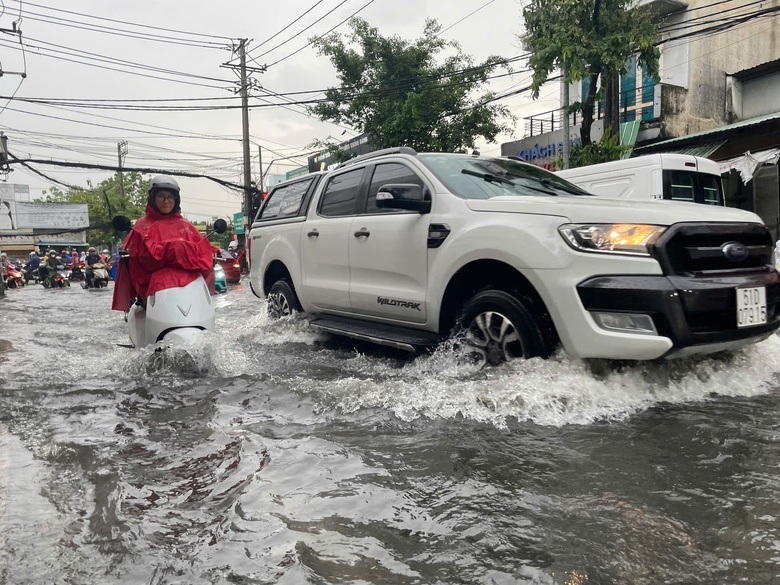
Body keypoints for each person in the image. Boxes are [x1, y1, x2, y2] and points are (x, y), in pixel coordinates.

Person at [112, 175, 215, 312]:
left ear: (176, 199)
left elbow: (203, 253)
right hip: (156, 288)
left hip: (190, 290)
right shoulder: (142, 226)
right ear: (153, 198)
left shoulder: (186, 226)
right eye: (161, 196)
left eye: (170, 197)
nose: (166, 201)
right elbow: (136, 259)